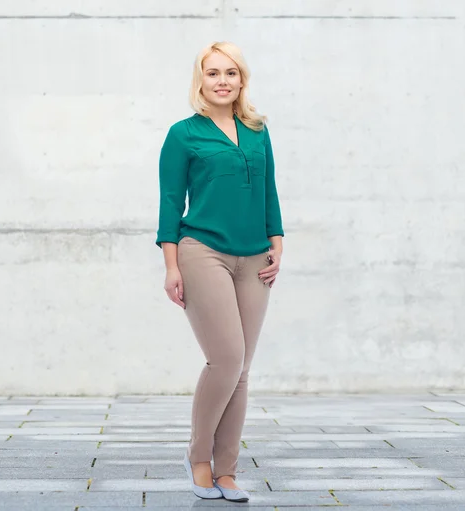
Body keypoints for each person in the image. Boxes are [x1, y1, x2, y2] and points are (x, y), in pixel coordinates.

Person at [155, 41, 284, 502]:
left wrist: (278, 242)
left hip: (255, 258)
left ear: (242, 80)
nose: (222, 81)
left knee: (242, 367)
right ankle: (199, 458)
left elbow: (269, 189)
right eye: (213, 73)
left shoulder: (257, 130)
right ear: (200, 80)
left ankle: (227, 470)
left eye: (231, 73)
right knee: (226, 357)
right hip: (201, 250)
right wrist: (171, 266)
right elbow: (170, 204)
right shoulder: (183, 134)